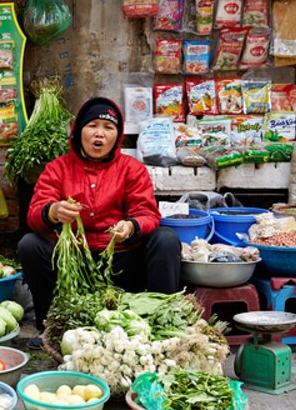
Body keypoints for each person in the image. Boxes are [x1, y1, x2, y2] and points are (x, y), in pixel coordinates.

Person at [17, 96, 181, 348]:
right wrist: (53, 212)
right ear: (78, 131)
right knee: (30, 244)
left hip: (121, 262)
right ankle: (50, 326)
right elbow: (34, 214)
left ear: (118, 136)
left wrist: (130, 226)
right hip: (74, 263)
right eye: (92, 125)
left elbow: (148, 215)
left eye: (108, 128)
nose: (99, 134)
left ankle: (163, 323)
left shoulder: (132, 169)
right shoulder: (57, 169)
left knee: (166, 239)